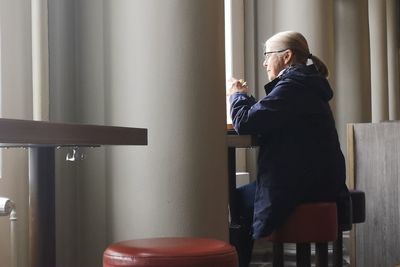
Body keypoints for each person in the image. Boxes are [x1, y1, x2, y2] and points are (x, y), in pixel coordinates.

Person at [226, 31, 349, 267]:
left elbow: (245, 123)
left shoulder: (294, 86)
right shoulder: (304, 84)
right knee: (247, 195)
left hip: (304, 186)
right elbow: (267, 117)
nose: (263, 62)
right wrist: (246, 100)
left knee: (238, 199)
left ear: (287, 56)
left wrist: (237, 96)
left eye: (267, 55)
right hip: (320, 181)